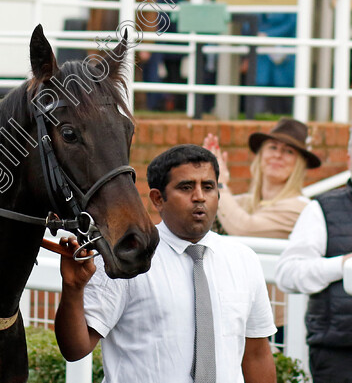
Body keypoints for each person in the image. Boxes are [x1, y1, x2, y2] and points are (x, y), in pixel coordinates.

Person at [55, 144, 276, 383]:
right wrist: (73, 289)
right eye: (186, 187)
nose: (199, 196)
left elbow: (256, 354)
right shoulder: (128, 257)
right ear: (157, 199)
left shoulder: (243, 259)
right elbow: (75, 349)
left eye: (208, 187)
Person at [275, 128, 352, 383]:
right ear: (350, 159)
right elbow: (288, 274)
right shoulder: (322, 208)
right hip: (339, 353)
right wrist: (342, 265)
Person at [203, 117, 320, 238]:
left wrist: (220, 184)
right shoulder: (249, 202)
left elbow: (245, 229)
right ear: (261, 155)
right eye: (273, 147)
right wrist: (207, 181)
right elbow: (204, 209)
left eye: (289, 151)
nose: (277, 155)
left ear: (299, 165)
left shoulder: (299, 208)